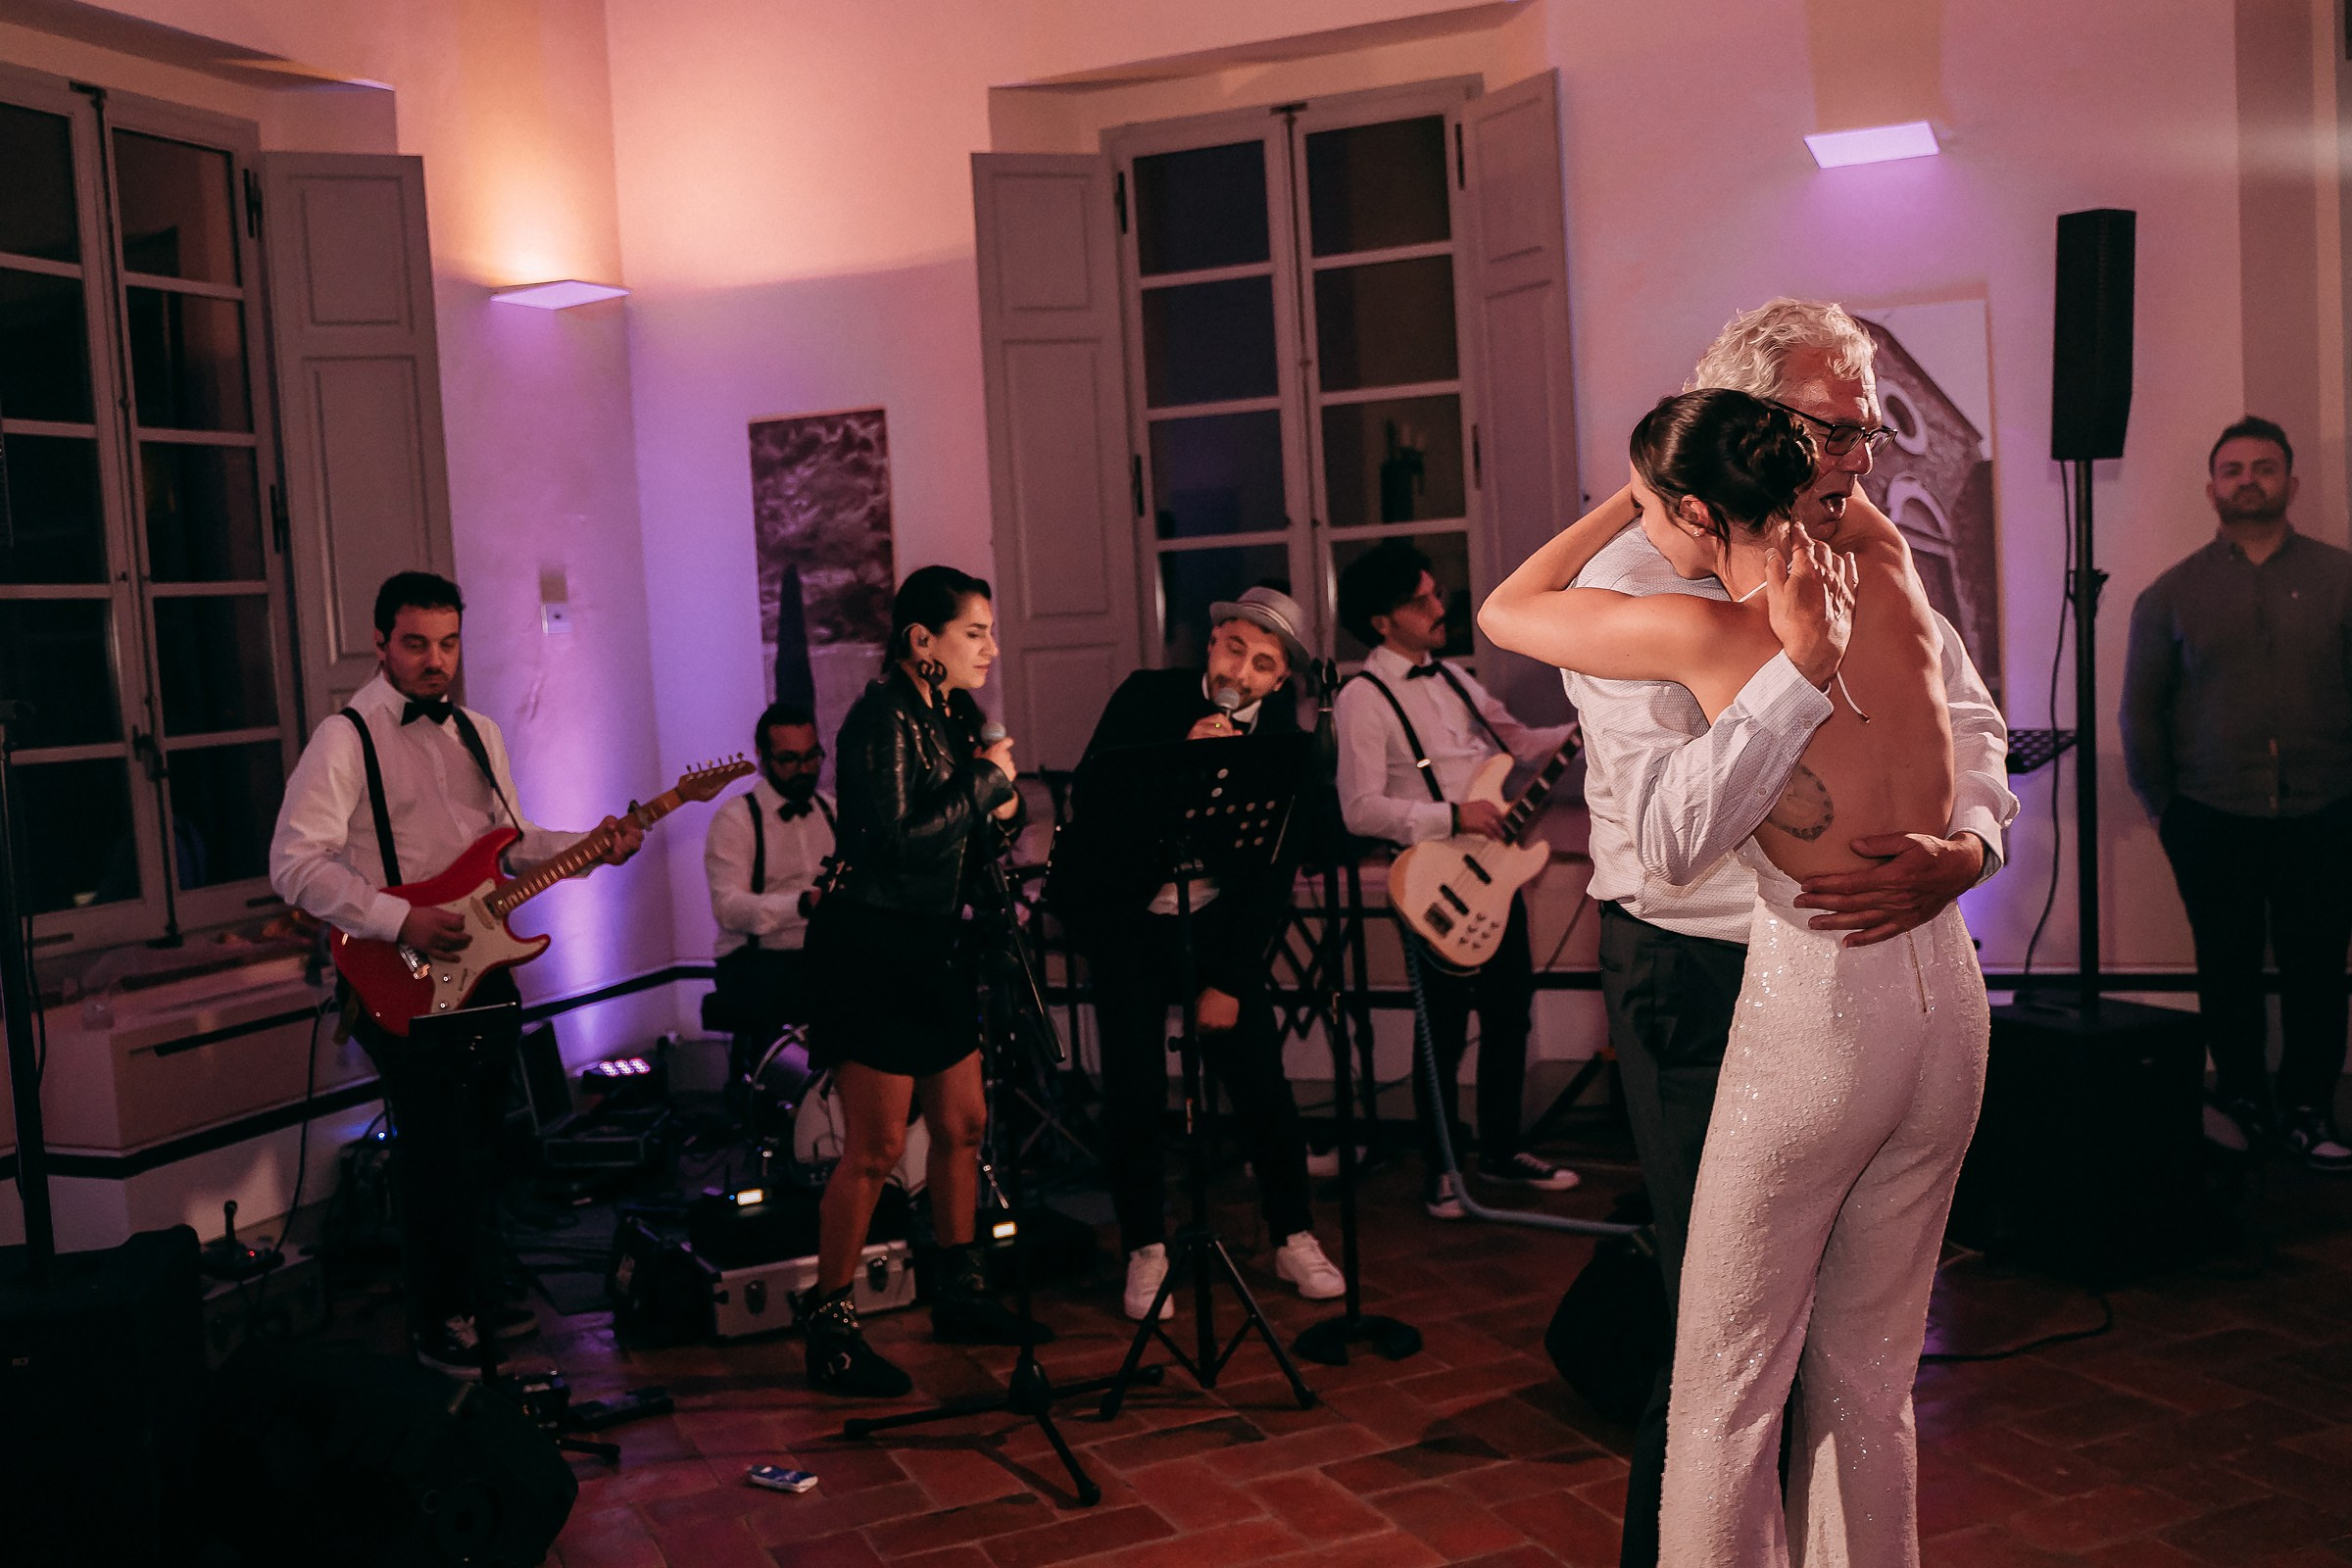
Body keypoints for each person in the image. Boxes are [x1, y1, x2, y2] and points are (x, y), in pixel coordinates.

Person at [1537, 300, 2014, 1568]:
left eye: (1869, 430)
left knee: (1841, 1366)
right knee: (1713, 1357)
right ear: (1750, 422)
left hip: (1877, 969)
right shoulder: (1638, 579)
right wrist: (1791, 676)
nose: (1862, 456)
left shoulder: (1871, 541)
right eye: (1835, 429)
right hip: (1703, 973)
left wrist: (1971, 846)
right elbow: (1667, 835)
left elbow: (1969, 717)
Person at [269, 570, 644, 1376]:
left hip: (480, 965)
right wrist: (397, 918)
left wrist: (593, 844)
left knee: (493, 1140)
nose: (435, 661)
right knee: (434, 1150)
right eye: (416, 644)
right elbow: (294, 865)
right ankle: (441, 1318)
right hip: (394, 966)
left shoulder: (478, 732)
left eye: (448, 643)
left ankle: (479, 1288)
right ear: (379, 643)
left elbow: (509, 841)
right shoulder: (346, 738)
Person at [1051, 585, 1345, 1322]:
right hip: (1128, 921)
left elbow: (1274, 873)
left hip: (1218, 925)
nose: (1240, 671)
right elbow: (1092, 799)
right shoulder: (1146, 697)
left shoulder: (1287, 739)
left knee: (1261, 1083)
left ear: (1281, 679)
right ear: (1212, 643)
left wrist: (1231, 979)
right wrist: (1177, 761)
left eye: (1262, 663)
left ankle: (1293, 1233)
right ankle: (1145, 1245)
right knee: (1135, 1087)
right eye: (1233, 649)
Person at [799, 565, 1044, 1397]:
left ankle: (960, 1291)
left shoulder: (952, 713)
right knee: (874, 1147)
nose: (991, 648)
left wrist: (1002, 807)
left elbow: (975, 835)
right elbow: (899, 843)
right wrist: (985, 784)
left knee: (964, 1123)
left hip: (939, 941)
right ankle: (831, 1327)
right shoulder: (880, 718)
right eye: (975, 632)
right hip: (875, 945)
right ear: (921, 640)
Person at [2122, 416, 2352, 1171]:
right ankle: (2244, 1102)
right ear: (2212, 488)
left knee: (2319, 969)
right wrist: (2168, 812)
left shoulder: (2340, 579)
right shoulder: (2170, 594)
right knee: (2227, 968)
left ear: (2291, 481)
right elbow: (2140, 714)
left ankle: (2310, 1110)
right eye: (2233, 469)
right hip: (2210, 818)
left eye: (2264, 467)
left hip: (2327, 813)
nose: (2248, 480)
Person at [1332, 541, 1582, 1217]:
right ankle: (1442, 1168)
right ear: (1382, 622)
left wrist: (1594, 721)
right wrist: (1451, 816)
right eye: (1422, 602)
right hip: (1429, 882)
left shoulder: (1452, 678)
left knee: (1508, 1015)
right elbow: (1358, 810)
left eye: (1435, 594)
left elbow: (1518, 743)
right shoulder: (1362, 698)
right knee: (1440, 1029)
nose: (1440, 608)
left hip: (1496, 873)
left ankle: (1501, 1151)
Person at [704, 700, 835, 1083]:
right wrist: (802, 904)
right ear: (762, 758)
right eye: (789, 760)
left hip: (822, 957)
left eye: (812, 757)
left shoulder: (833, 811)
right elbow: (729, 908)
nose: (804, 769)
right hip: (757, 963)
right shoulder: (736, 819)